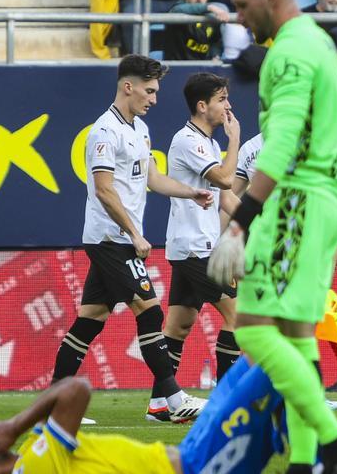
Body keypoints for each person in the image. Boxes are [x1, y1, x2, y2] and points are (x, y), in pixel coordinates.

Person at [212, 0, 337, 471]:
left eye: (241, 6)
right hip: (323, 202)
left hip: (295, 205)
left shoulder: (289, 53)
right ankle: (304, 463)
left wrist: (240, 222)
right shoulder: (319, 42)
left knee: (255, 333)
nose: (238, 18)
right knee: (299, 336)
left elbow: (280, 144)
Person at [49, 55, 213, 425]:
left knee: (91, 319)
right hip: (110, 237)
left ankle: (53, 407)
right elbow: (105, 192)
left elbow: (153, 179)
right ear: (129, 86)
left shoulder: (138, 129)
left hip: (118, 238)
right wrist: (135, 233)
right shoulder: (104, 132)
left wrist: (191, 193)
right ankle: (171, 399)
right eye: (150, 90)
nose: (154, 99)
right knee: (151, 310)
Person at [0, 357, 289, 474]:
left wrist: (20, 429)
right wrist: (13, 425)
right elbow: (76, 390)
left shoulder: (32, 452)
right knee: (277, 360)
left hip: (190, 450)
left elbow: (60, 398)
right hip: (197, 464)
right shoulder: (33, 468)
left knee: (261, 350)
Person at [232, 134, 337, 396]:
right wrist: (229, 235)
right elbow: (231, 191)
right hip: (262, 247)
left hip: (304, 247)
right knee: (257, 325)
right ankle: (259, 390)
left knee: (300, 323)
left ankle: (305, 392)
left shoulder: (314, 142)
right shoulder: (251, 148)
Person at [147, 72, 242, 422]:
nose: (228, 105)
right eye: (221, 99)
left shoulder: (205, 142)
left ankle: (161, 403)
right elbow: (226, 179)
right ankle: (226, 401)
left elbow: (225, 197)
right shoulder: (190, 141)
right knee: (240, 316)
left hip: (191, 246)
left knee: (178, 326)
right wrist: (235, 140)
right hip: (196, 249)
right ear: (202, 106)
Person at [164, 0, 230, 60]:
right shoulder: (177, 9)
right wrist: (208, 7)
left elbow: (215, 41)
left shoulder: (212, 15)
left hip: (203, 69)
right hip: (176, 68)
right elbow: (179, 10)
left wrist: (215, 55)